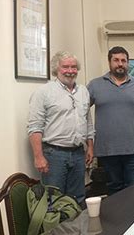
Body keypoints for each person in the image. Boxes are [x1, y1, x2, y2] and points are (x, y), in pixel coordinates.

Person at [27, 51, 94, 204]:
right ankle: (57, 229)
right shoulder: (43, 92)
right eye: (65, 67)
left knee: (77, 199)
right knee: (54, 201)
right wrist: (38, 157)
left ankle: (76, 229)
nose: (70, 71)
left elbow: (88, 122)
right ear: (56, 69)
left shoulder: (83, 91)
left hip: (78, 153)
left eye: (74, 67)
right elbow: (35, 126)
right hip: (53, 155)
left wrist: (90, 147)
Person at [87, 46, 134, 194]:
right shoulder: (95, 85)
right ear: (109, 62)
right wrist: (88, 144)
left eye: (123, 60)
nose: (120, 64)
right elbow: (81, 113)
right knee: (114, 192)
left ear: (128, 63)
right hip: (107, 150)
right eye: (116, 60)